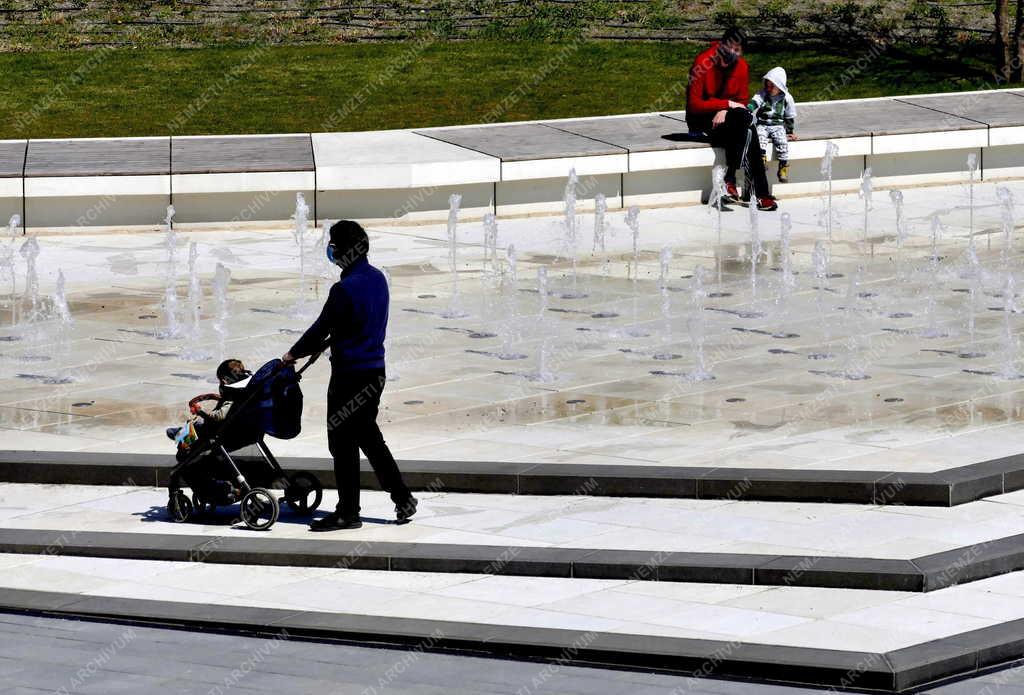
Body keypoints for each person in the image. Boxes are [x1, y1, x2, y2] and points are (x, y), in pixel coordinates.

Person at [282, 220, 417, 531]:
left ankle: (348, 512)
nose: (330, 249)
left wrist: (291, 355)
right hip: (374, 373)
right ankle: (402, 497)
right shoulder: (378, 278)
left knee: (342, 443)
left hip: (349, 377)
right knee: (368, 436)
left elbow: (320, 330)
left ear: (343, 250)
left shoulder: (344, 289)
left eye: (333, 244)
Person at [685, 27, 777, 211]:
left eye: (737, 50)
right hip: (701, 119)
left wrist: (726, 111)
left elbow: (742, 102)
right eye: (729, 47)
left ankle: (731, 181)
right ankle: (757, 192)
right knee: (748, 131)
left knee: (745, 124)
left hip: (729, 118)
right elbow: (694, 104)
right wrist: (726, 105)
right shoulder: (703, 62)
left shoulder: (742, 67)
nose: (732, 53)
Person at [748, 66, 798, 183]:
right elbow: (755, 101)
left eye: (772, 86)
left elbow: (790, 116)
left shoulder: (787, 98)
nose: (768, 88)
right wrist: (749, 108)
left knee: (782, 143)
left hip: (778, 125)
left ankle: (783, 167)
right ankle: (761, 161)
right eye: (767, 85)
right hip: (763, 124)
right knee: (759, 138)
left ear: (780, 86)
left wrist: (790, 132)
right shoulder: (763, 94)